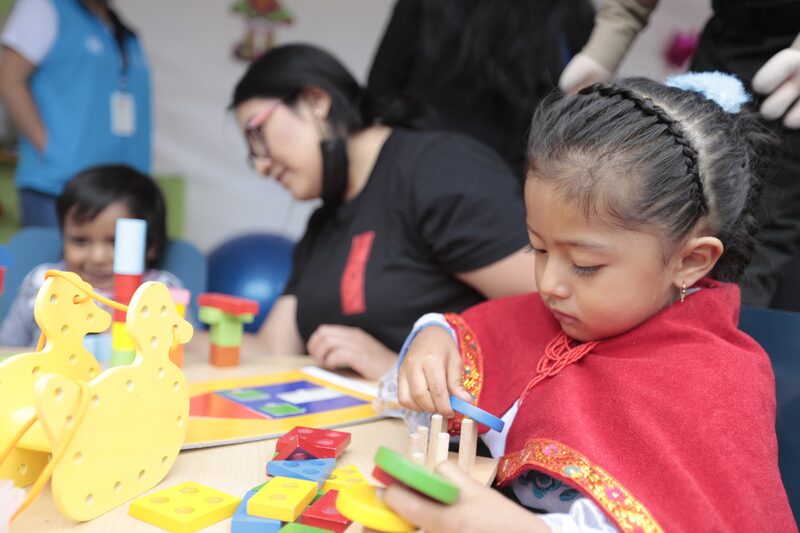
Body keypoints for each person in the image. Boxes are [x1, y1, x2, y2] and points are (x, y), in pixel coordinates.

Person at [388, 75, 794, 531]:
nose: (549, 284)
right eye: (537, 249)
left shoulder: (718, 382)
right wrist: (432, 340)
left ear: (691, 261)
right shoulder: (554, 316)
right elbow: (462, 338)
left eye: (584, 265)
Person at [230, 44, 536, 379]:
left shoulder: (438, 170)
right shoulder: (324, 220)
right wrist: (170, 329)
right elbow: (274, 347)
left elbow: (547, 313)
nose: (259, 165)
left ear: (316, 100)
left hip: (450, 429)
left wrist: (394, 367)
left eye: (257, 133)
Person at [558, 0, 800, 309]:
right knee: (693, 199)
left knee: (772, 217)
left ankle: (729, 331)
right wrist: (603, 49)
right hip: (724, 48)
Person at [367, 0, 595, 178]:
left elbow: (381, 85)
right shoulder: (572, 10)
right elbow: (579, 103)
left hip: (424, 164)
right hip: (515, 177)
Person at [0, 0, 151, 228]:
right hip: (60, 188)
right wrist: (52, 150)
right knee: (53, 263)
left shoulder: (123, 31)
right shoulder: (44, 7)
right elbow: (9, 79)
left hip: (123, 193)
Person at [0, 165, 181, 347]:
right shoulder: (44, 282)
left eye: (116, 242)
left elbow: (188, 346)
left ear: (151, 245)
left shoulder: (160, 291)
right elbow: (7, 347)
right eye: (80, 241)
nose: (97, 257)